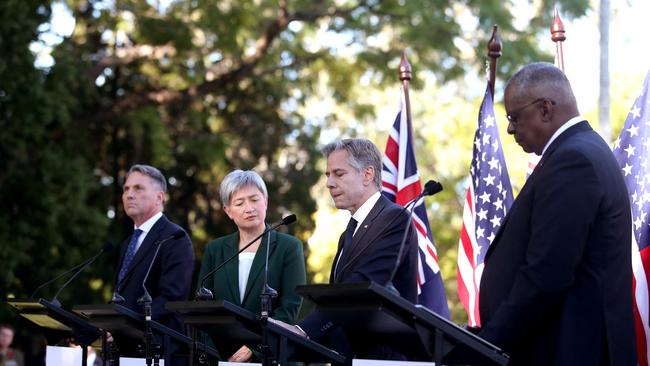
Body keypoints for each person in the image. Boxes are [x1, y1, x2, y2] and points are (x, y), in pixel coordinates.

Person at [478, 62, 636, 365]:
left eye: (514, 116)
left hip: (569, 351)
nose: (510, 128)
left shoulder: (574, 160)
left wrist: (485, 345)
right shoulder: (582, 151)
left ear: (546, 109)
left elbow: (547, 274)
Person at [285, 138, 418, 364]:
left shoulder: (394, 218)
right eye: (328, 175)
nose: (329, 183)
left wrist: (302, 329)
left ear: (367, 175)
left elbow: (362, 286)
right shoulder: (347, 234)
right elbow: (337, 309)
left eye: (339, 173)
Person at [197, 169, 306, 362]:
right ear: (228, 211)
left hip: (272, 355)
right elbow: (204, 308)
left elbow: (290, 307)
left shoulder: (288, 247)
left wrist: (254, 346)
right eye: (239, 203)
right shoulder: (216, 249)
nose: (249, 208)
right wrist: (221, 350)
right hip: (223, 357)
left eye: (255, 199)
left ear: (266, 201)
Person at [112, 165, 194, 349]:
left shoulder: (175, 238)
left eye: (138, 188)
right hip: (126, 348)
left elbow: (171, 298)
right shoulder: (127, 243)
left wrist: (128, 323)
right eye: (126, 189)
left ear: (159, 197)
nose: (129, 195)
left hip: (159, 348)